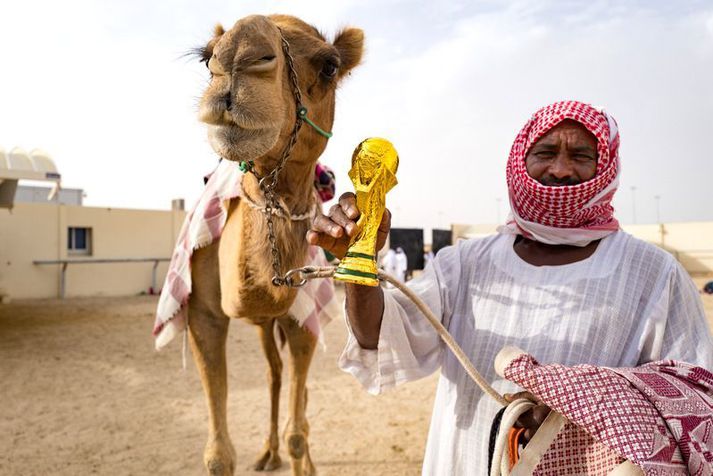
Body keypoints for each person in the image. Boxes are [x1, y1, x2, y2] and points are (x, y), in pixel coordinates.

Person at [306, 100, 713, 475]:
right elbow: (383, 339)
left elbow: (696, 403)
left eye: (581, 156)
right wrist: (357, 261)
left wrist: (584, 407)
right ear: (521, 160)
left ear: (606, 168)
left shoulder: (655, 274)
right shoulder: (464, 264)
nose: (560, 169)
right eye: (546, 153)